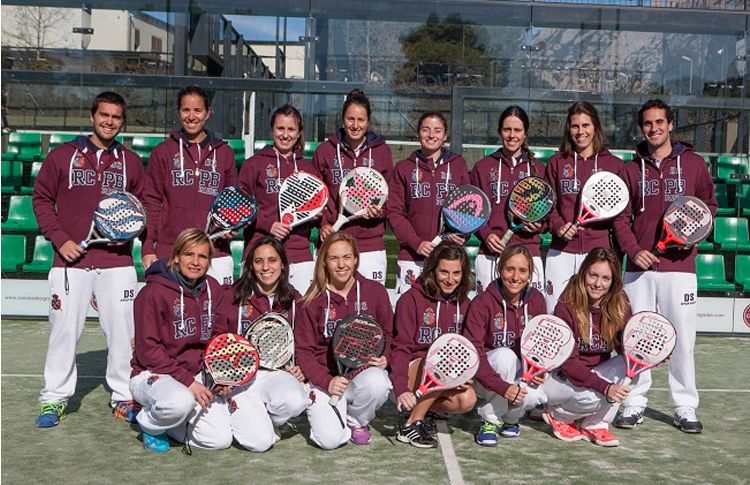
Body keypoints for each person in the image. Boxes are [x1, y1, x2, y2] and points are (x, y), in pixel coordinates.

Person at [32, 91, 145, 427]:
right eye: (104, 115)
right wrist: (60, 239)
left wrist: (138, 235)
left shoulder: (132, 162)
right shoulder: (63, 156)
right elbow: (41, 199)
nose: (109, 121)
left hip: (117, 263)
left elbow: (142, 210)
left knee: (124, 334)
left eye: (116, 117)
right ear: (92, 116)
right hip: (70, 264)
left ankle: (124, 396)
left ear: (123, 121)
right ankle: (54, 399)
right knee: (64, 332)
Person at [612, 99, 717, 433]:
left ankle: (684, 405)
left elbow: (708, 206)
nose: (653, 128)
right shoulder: (630, 170)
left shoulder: (695, 164)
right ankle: (633, 402)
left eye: (659, 122)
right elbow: (621, 218)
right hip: (638, 269)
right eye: (647, 123)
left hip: (680, 268)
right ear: (641, 127)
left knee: (683, 339)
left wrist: (695, 235)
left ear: (671, 124)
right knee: (637, 338)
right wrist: (633, 250)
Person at [130, 229, 233, 453]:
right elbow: (148, 351)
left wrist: (218, 375)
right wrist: (188, 382)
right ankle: (149, 423)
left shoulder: (213, 289)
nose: (195, 262)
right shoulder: (152, 293)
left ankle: (172, 421)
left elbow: (218, 337)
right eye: (189, 254)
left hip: (194, 374)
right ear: (176, 256)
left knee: (219, 439)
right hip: (153, 373)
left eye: (202, 256)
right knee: (179, 402)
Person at [295, 232, 393, 449]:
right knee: (329, 441)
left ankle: (357, 421)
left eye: (347, 257)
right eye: (334, 258)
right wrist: (325, 380)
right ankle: (332, 412)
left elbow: (388, 333)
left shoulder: (375, 291)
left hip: (361, 374)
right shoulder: (312, 300)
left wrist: (386, 356)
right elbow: (304, 351)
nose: (341, 265)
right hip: (326, 380)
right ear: (324, 262)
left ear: (356, 259)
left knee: (378, 383)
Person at [217, 236, 309, 452]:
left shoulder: (294, 299)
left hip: (274, 374)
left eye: (272, 260)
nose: (266, 267)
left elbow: (305, 342)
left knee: (296, 399)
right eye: (258, 261)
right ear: (250, 265)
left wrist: (300, 368)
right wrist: (225, 375)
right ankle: (239, 414)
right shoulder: (231, 296)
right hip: (239, 379)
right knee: (260, 443)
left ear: (283, 264)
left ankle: (263, 418)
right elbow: (217, 339)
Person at [540, 248, 638, 447]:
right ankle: (558, 415)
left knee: (631, 367)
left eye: (605, 278)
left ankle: (596, 424)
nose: (597, 284)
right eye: (593, 275)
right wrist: (606, 387)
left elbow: (626, 347)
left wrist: (651, 357)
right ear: (584, 273)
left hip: (594, 371)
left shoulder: (620, 302)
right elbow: (568, 363)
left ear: (613, 281)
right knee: (594, 396)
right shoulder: (566, 305)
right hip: (560, 379)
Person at [141, 85, 238, 285]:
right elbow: (151, 202)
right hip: (172, 252)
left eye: (197, 110)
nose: (191, 116)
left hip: (215, 253)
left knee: (217, 315)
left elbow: (232, 202)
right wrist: (148, 247)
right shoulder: (163, 151)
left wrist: (232, 225)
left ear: (208, 113)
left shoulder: (224, 153)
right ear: (179, 111)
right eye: (186, 110)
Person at [391, 242, 476, 449]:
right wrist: (401, 389)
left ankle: (422, 409)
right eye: (443, 272)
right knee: (440, 358)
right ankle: (411, 424)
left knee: (467, 399)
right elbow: (400, 348)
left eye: (456, 273)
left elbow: (469, 348)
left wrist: (465, 377)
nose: (450, 279)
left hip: (444, 375)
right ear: (432, 271)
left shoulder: (466, 304)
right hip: (413, 371)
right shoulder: (411, 299)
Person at [462, 245, 547, 447]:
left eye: (522, 271)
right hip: (485, 377)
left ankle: (511, 419)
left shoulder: (537, 300)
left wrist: (541, 369)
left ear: (530, 274)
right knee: (505, 356)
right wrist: (503, 387)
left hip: (521, 373)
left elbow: (542, 346)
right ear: (500, 269)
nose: (515, 277)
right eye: (510, 269)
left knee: (538, 395)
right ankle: (490, 420)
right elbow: (474, 354)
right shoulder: (482, 302)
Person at [543, 101, 624, 312]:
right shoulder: (557, 162)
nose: (580, 132)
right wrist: (559, 226)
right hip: (561, 252)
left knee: (594, 313)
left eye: (585, 125)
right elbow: (548, 205)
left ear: (595, 127)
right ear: (568, 129)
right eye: (575, 126)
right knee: (556, 312)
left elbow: (620, 214)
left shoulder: (614, 165)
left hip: (597, 252)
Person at [314, 89, 394, 285]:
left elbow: (391, 198)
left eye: (361, 119)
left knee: (368, 306)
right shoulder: (325, 151)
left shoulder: (382, 151)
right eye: (350, 119)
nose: (355, 125)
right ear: (343, 120)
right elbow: (315, 197)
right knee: (329, 304)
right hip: (333, 241)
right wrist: (324, 224)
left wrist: (379, 211)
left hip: (370, 244)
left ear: (368, 121)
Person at [239, 104, 322, 293]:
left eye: (291, 129)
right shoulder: (253, 165)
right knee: (257, 315)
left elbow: (318, 210)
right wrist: (269, 225)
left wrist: (315, 217)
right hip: (260, 251)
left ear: (299, 132)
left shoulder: (308, 169)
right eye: (280, 128)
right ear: (272, 130)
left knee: (299, 315)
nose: (285, 135)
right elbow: (241, 209)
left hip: (298, 253)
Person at [388, 112, 470, 294]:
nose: (431, 135)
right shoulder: (403, 168)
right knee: (408, 312)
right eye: (426, 130)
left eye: (437, 130)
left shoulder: (458, 165)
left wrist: (463, 235)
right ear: (418, 133)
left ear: (445, 135)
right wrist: (416, 242)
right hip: (412, 256)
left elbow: (469, 207)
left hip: (448, 259)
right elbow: (394, 212)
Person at [471, 106, 547, 293]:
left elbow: (548, 213)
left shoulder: (538, 168)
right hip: (491, 253)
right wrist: (487, 235)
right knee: (488, 315)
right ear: (499, 132)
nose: (512, 135)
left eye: (517, 130)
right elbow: (473, 211)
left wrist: (539, 225)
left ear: (525, 134)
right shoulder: (483, 167)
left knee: (527, 316)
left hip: (528, 251)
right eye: (507, 129)